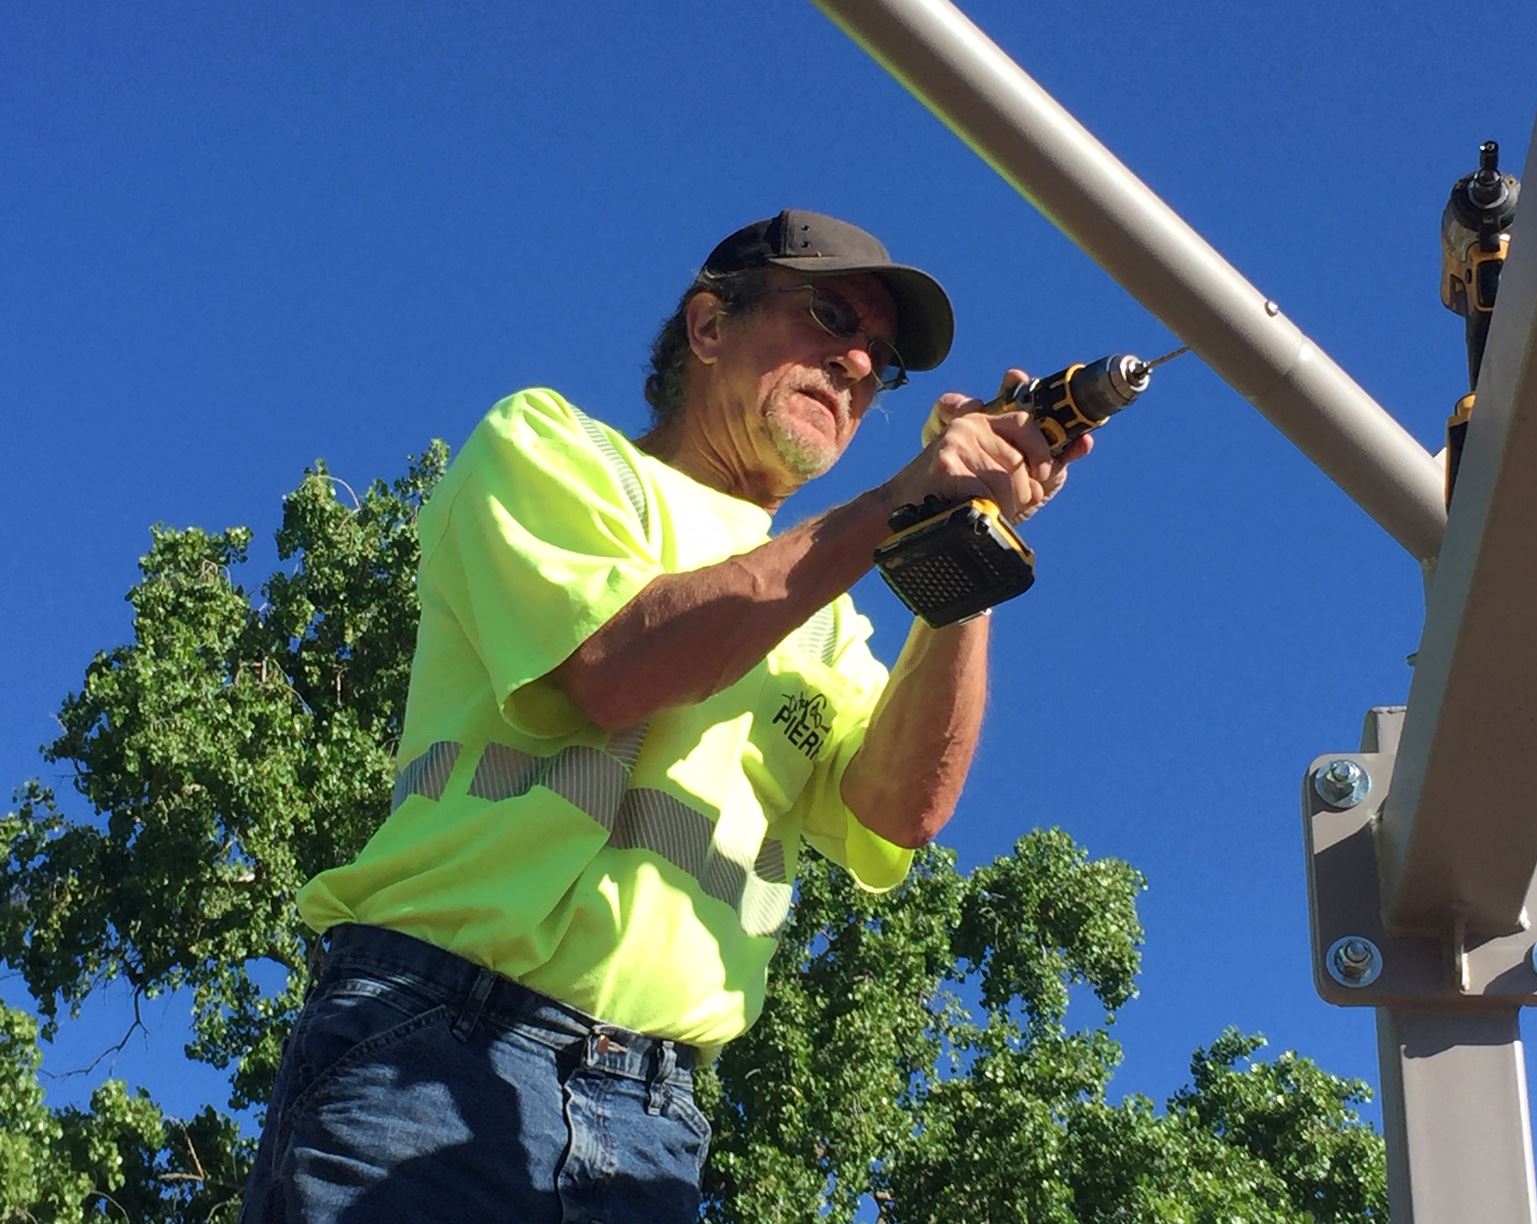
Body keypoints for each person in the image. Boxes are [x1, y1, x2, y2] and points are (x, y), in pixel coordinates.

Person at [239, 209, 1091, 1222]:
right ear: (708, 326)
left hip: (653, 1119)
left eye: (883, 362)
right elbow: (611, 668)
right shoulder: (550, 448)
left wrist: (968, 540)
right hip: (433, 1037)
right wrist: (896, 504)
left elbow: (901, 808)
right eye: (829, 315)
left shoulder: (834, 624)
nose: (858, 363)